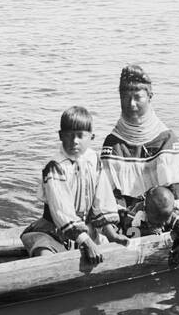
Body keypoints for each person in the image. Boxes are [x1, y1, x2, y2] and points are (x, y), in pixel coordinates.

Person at [92, 65, 179, 234]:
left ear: (150, 97)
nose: (131, 104)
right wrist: (127, 218)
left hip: (166, 211)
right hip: (131, 216)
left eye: (137, 97)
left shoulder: (166, 138)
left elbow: (178, 191)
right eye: (125, 97)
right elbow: (112, 195)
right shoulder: (113, 143)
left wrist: (170, 217)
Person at [21, 106, 128, 261]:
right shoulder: (55, 167)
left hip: (86, 227)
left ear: (91, 137)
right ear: (60, 136)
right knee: (45, 257)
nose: (74, 141)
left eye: (80, 136)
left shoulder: (94, 160)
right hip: (54, 230)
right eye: (69, 136)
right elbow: (61, 211)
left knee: (108, 247)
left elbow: (102, 201)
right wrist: (86, 241)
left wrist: (111, 234)